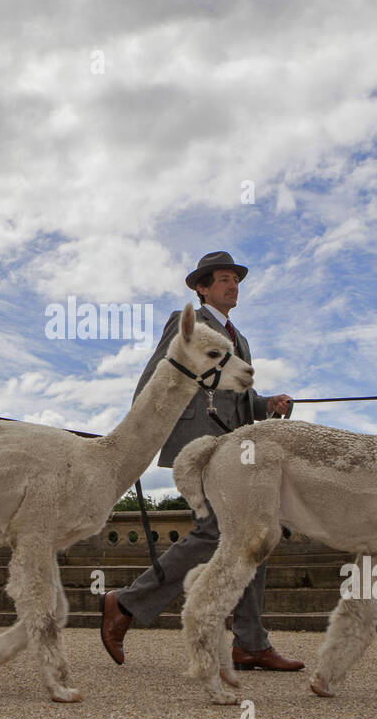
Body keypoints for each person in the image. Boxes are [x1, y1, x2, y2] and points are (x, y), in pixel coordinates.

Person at [101, 251, 304, 671]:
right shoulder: (186, 321)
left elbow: (239, 398)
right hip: (197, 445)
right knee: (215, 529)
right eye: (224, 279)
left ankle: (250, 642)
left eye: (236, 279)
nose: (233, 285)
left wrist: (268, 404)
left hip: (235, 447)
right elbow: (156, 375)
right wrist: (136, 439)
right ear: (203, 287)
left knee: (257, 532)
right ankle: (124, 603)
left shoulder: (240, 338)